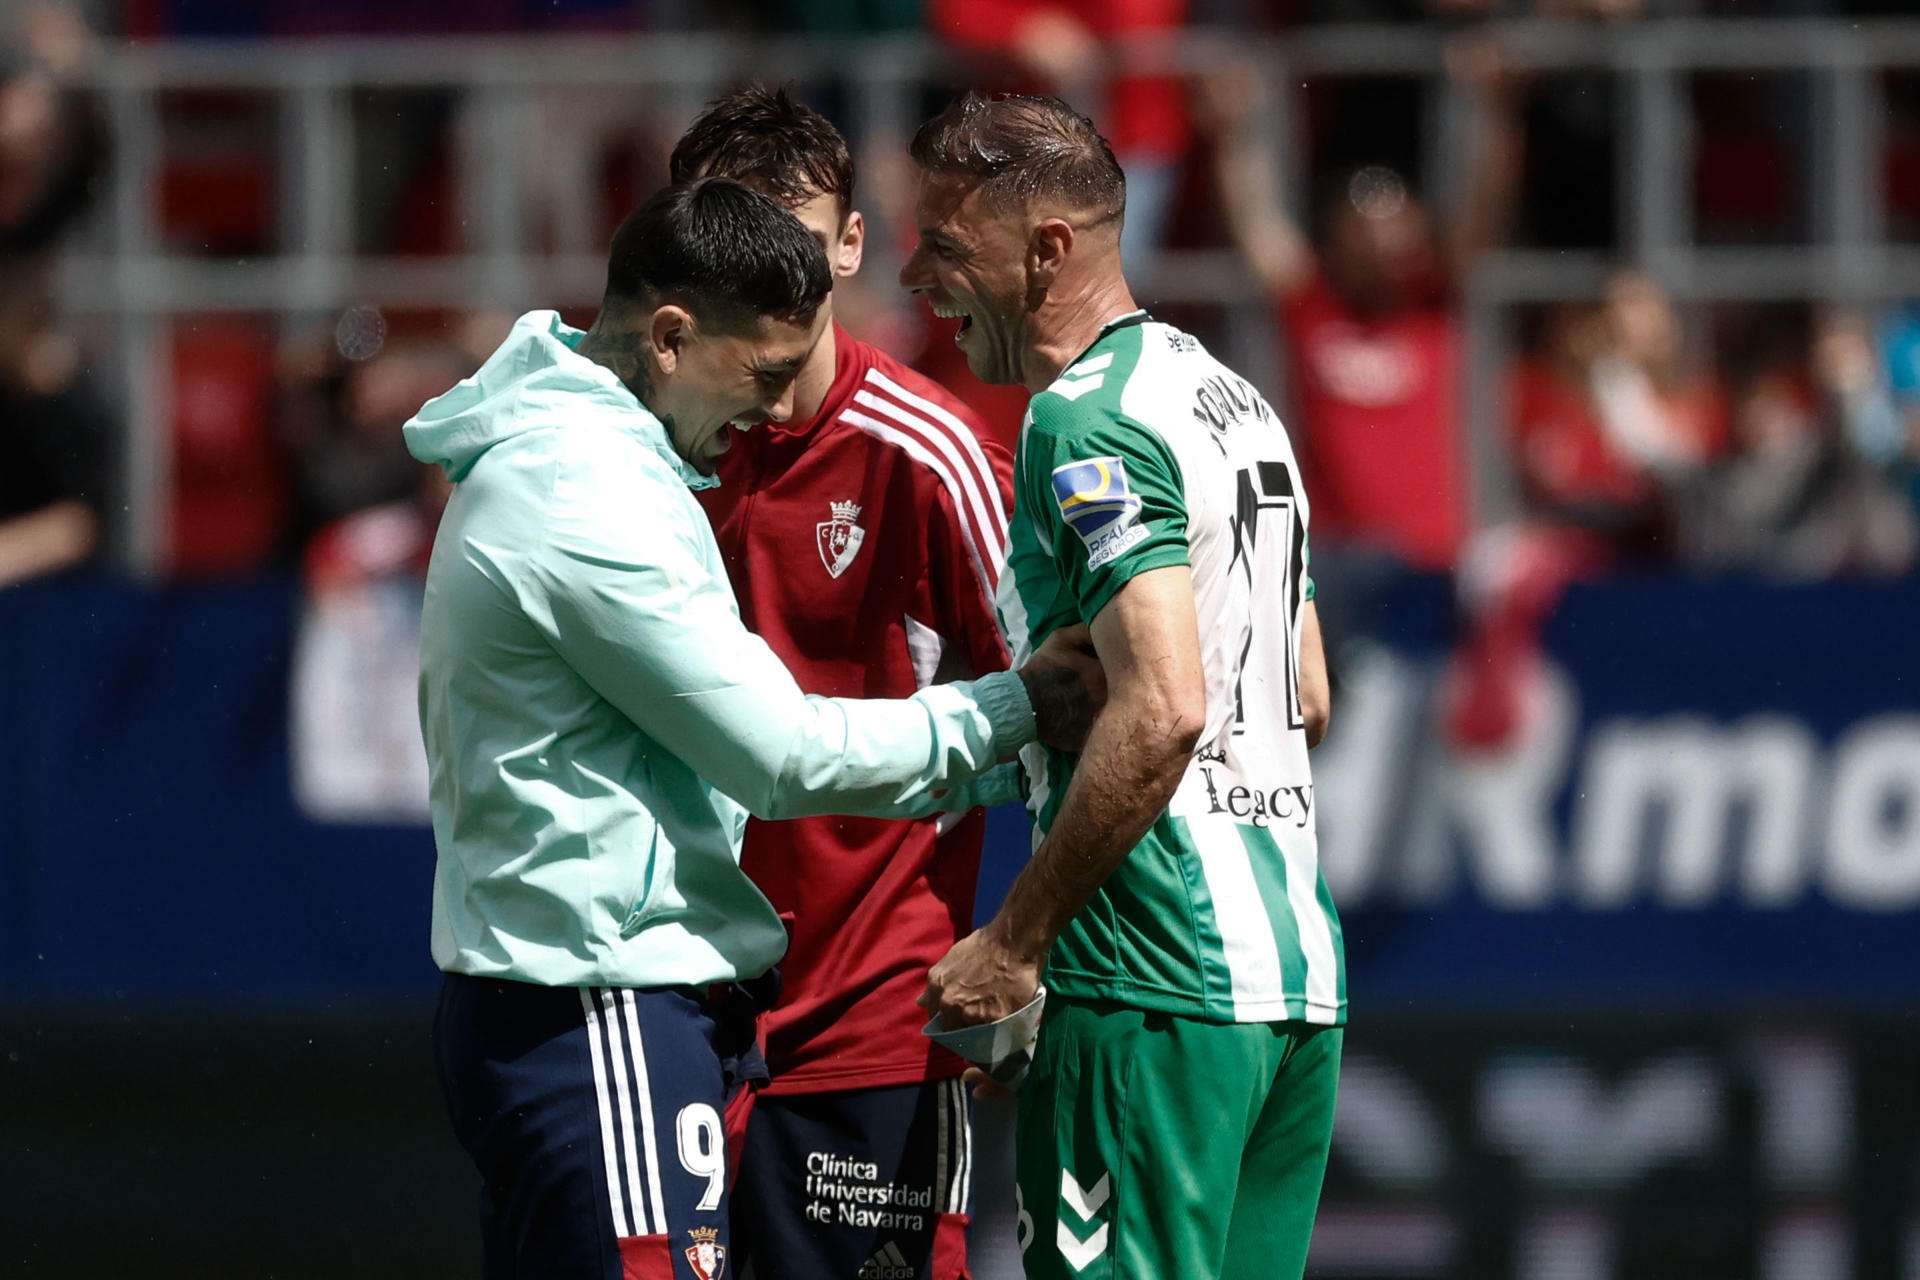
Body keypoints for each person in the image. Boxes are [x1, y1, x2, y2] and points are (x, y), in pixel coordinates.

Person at [405, 177, 1099, 1280]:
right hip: (604, 1010)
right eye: (765, 373)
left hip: (585, 1006)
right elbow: (780, 755)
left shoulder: (583, 454)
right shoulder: (580, 491)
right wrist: (1018, 714)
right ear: (672, 335)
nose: (777, 413)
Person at [903, 94, 1340, 1280]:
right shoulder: (1236, 403)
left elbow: (1165, 704)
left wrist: (1016, 935)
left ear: (1045, 247)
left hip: (1149, 972)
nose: (913, 273)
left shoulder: (1080, 420)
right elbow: (1303, 691)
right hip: (1290, 983)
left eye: (944, 245)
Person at [666, 86, 1013, 1280]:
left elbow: (1076, 701)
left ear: (854, 245)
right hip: (672, 1009)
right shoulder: (633, 454)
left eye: (799, 246)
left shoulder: (934, 456)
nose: (770, 281)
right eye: (737, 244)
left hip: (872, 1021)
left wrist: (1033, 940)